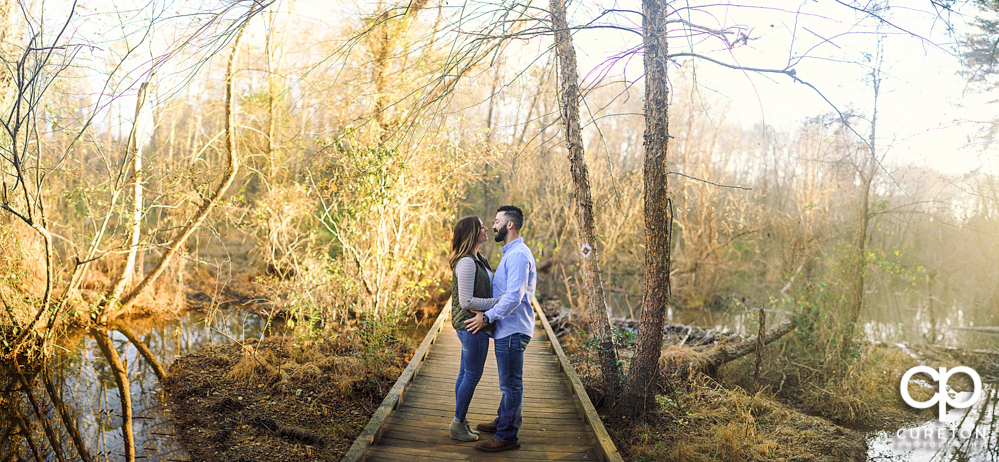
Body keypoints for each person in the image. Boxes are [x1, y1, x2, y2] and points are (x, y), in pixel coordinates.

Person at [465, 205, 536, 453]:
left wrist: (487, 317)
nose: (492, 225)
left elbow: (514, 297)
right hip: (509, 329)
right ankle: (502, 422)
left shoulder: (517, 256)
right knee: (509, 383)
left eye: (496, 221)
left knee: (511, 385)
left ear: (509, 225)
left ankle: (507, 436)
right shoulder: (512, 252)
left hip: (513, 329)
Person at [447, 216, 503, 442]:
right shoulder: (467, 262)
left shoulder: (478, 258)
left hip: (473, 325)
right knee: (471, 375)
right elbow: (466, 301)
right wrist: (499, 301)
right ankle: (458, 423)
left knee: (465, 374)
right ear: (472, 232)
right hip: (472, 326)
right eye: (481, 227)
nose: (486, 228)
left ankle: (460, 421)